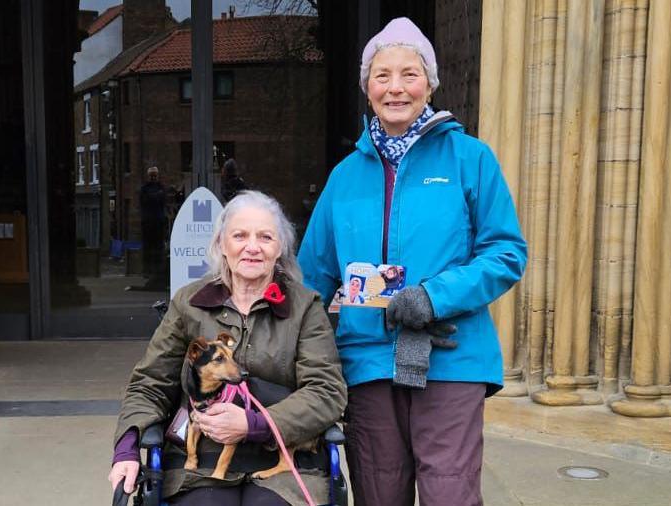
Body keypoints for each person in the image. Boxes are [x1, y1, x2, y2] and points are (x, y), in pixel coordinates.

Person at [297, 17, 527, 506]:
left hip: (451, 356)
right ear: (367, 88)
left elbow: (506, 253)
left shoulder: (470, 159)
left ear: (430, 84)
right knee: (379, 495)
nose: (395, 87)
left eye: (409, 74)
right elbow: (310, 278)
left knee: (450, 493)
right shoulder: (344, 177)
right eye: (382, 76)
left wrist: (434, 296)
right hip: (367, 362)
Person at [110, 190, 347, 506]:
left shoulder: (305, 308)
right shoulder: (189, 304)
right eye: (240, 235)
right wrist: (126, 447)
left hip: (283, 462)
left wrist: (253, 425)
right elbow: (149, 384)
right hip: (200, 464)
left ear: (280, 249)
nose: (252, 247)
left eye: (265, 237)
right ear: (222, 244)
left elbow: (326, 391)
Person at [140, 166, 166, 273]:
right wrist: (156, 196)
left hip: (158, 221)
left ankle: (158, 270)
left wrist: (154, 197)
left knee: (159, 247)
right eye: (151, 176)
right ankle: (147, 270)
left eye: (155, 175)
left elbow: (162, 199)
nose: (153, 177)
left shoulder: (161, 188)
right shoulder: (145, 188)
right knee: (148, 247)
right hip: (148, 222)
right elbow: (145, 201)